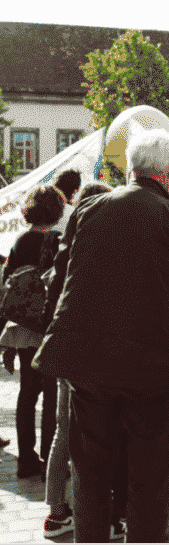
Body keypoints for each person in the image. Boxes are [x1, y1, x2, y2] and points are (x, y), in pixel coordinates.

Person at [33, 129, 169, 544]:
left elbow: (61, 283)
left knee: (91, 481)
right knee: (148, 486)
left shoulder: (89, 209)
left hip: (91, 368)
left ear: (130, 168)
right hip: (155, 374)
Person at [40, 180, 113, 540]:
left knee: (65, 433)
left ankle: (59, 510)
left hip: (71, 352)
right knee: (76, 436)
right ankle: (66, 514)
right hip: (85, 355)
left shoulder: (67, 244)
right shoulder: (88, 248)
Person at [0, 185, 63, 479]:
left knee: (27, 392)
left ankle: (25, 460)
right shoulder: (57, 241)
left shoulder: (21, 240)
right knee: (51, 396)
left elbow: (7, 283)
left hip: (24, 328)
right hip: (48, 328)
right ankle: (50, 463)